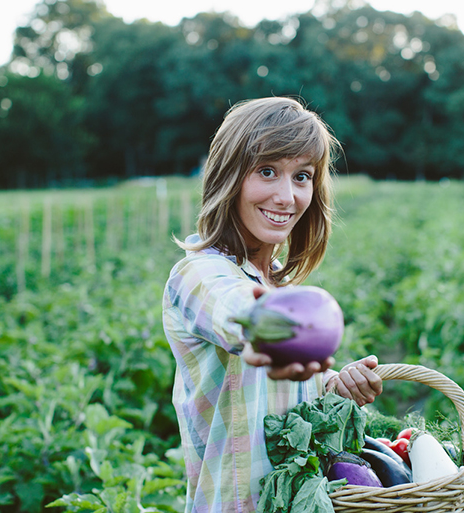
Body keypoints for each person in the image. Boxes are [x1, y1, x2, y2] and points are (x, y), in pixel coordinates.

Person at [162, 97, 383, 513]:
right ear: (229, 177)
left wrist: (335, 385)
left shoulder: (277, 283)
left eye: (302, 177)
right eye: (267, 172)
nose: (287, 196)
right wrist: (263, 328)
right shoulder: (197, 274)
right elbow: (235, 311)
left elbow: (283, 394)